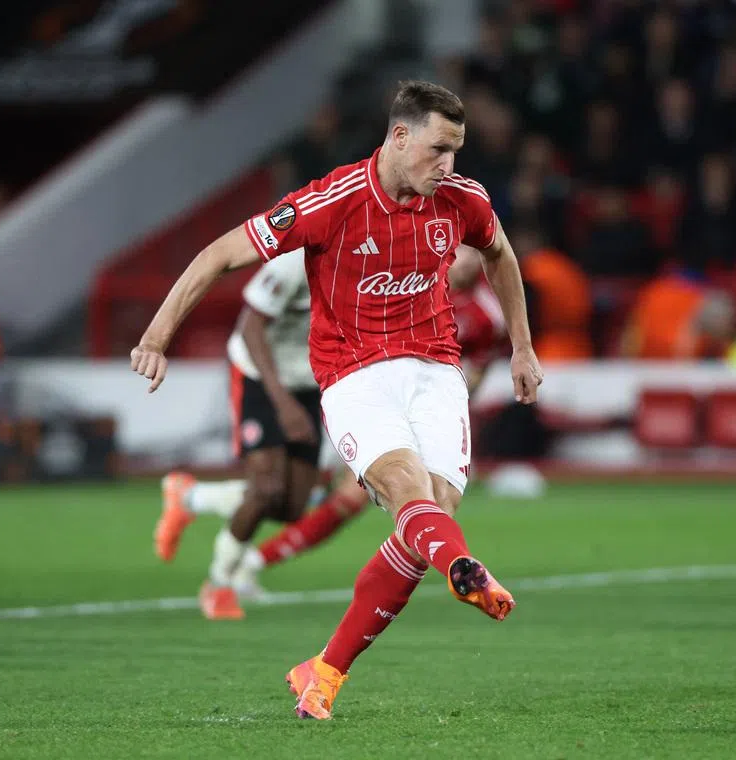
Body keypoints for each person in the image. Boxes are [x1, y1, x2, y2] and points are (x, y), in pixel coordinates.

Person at [130, 80, 542, 720]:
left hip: (436, 368)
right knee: (409, 493)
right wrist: (157, 336)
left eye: (455, 152)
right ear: (399, 137)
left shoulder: (463, 199)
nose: (448, 165)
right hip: (355, 374)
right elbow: (218, 255)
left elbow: (501, 254)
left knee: (432, 516)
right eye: (438, 149)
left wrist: (522, 345)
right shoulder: (332, 200)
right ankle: (463, 568)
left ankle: (323, 670)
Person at [155, 246, 504, 619]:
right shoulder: (293, 262)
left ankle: (191, 497)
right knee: (270, 488)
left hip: (317, 379)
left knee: (292, 504)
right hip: (259, 374)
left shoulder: (382, 263)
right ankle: (221, 582)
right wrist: (285, 404)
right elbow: (250, 327)